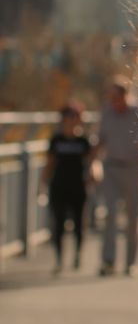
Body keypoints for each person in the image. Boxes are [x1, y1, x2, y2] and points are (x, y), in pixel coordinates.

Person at [96, 76, 138, 276]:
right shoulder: (107, 112)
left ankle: (131, 262)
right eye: (111, 98)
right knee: (109, 214)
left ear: (125, 96)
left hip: (134, 169)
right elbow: (100, 139)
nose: (113, 102)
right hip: (111, 168)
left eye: (116, 98)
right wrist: (92, 165)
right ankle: (108, 260)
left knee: (133, 218)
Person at [40, 101, 95, 275]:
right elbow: (49, 164)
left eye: (75, 117)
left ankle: (78, 255)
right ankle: (59, 260)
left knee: (79, 223)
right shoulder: (56, 140)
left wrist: (93, 174)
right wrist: (41, 185)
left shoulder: (84, 141)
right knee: (58, 224)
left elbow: (92, 162)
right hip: (59, 187)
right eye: (68, 117)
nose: (72, 120)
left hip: (78, 187)